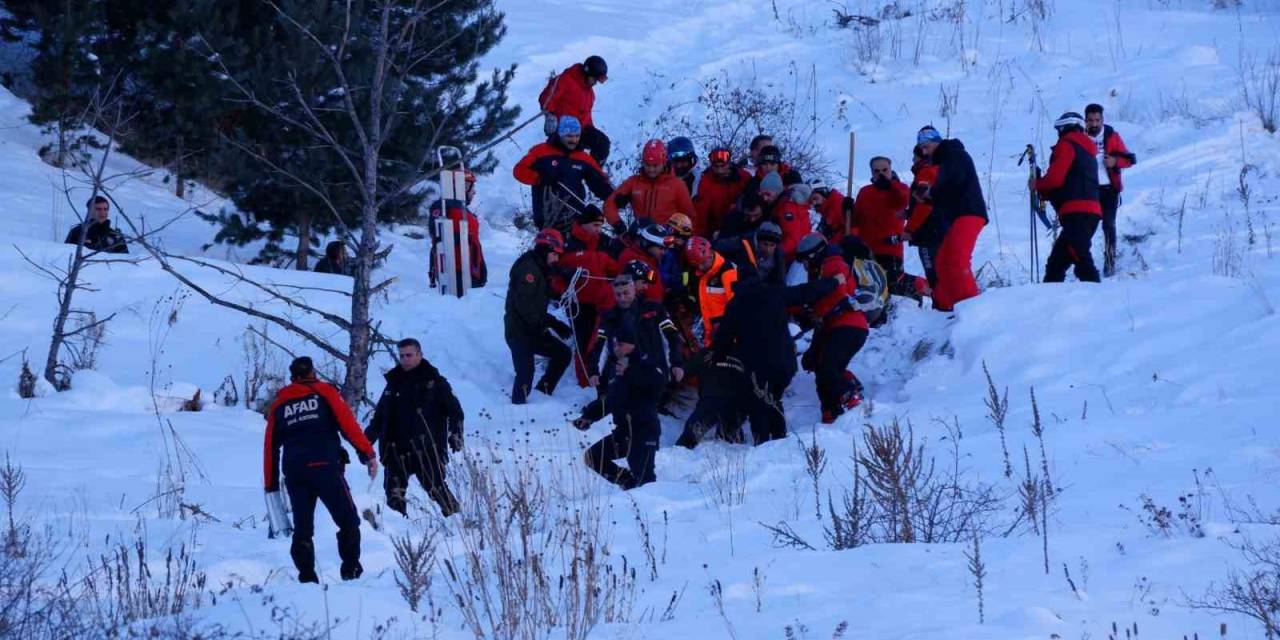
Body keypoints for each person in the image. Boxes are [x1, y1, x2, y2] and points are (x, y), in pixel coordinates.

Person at [263, 356, 378, 583]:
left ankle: (307, 578)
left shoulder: (279, 405)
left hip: (295, 472)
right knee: (348, 520)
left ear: (292, 377)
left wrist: (271, 486)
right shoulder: (324, 392)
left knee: (303, 529)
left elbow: (269, 449)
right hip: (325, 467)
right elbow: (348, 425)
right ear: (313, 373)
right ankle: (351, 571)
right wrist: (368, 454)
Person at [574, 274, 684, 489]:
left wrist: (676, 363)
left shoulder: (653, 309)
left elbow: (672, 336)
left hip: (650, 390)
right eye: (618, 294)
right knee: (595, 458)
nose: (623, 297)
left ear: (635, 290)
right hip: (625, 427)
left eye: (626, 292)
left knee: (644, 478)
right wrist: (588, 414)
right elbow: (601, 346)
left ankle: (645, 495)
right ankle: (629, 486)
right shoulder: (611, 318)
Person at [710, 271, 838, 445]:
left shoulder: (735, 304)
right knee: (774, 399)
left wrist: (716, 359)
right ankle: (780, 440)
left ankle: (762, 444)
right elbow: (805, 292)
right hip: (784, 363)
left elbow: (723, 338)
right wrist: (834, 281)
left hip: (757, 365)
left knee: (758, 404)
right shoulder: (774, 292)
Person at [365, 339, 464, 517]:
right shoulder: (393, 383)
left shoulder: (435, 382)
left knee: (436, 488)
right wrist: (364, 444)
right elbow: (379, 419)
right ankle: (394, 537)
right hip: (395, 449)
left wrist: (456, 434)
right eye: (401, 356)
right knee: (394, 497)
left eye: (409, 355)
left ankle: (459, 524)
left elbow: (455, 412)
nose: (405, 360)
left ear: (420, 354)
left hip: (426, 448)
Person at [792, 236, 869, 423]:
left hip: (848, 325)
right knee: (818, 365)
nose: (804, 265)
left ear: (814, 254)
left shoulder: (833, 264)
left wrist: (818, 313)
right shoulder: (821, 269)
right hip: (835, 326)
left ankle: (853, 398)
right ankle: (830, 412)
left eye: (805, 260)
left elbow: (837, 294)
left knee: (828, 369)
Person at [915, 125, 987, 312]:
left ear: (937, 142)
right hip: (957, 215)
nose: (923, 152)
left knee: (956, 260)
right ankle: (948, 307)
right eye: (921, 148)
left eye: (926, 146)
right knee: (943, 262)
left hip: (969, 212)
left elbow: (955, 181)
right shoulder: (945, 161)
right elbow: (947, 193)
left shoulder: (954, 154)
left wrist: (932, 192)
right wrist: (928, 197)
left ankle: (973, 309)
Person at [505, 229, 573, 404]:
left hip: (534, 329)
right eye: (555, 254)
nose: (557, 259)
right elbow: (525, 306)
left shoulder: (540, 268)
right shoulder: (528, 269)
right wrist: (552, 323)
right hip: (519, 331)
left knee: (563, 354)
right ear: (545, 249)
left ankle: (542, 395)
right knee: (525, 373)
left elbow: (543, 295)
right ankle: (518, 408)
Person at [513, 116, 613, 233]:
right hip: (547, 219)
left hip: (575, 218)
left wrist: (615, 198)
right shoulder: (540, 152)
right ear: (560, 134)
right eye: (569, 136)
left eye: (577, 136)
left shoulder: (583, 158)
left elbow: (598, 182)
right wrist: (539, 179)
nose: (574, 140)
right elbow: (519, 171)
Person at [1035, 112, 1102, 283]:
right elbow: (1067, 182)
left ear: (1064, 128)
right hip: (1089, 212)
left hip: (1076, 213)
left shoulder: (1067, 144)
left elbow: (1055, 179)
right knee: (1056, 264)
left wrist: (1037, 184)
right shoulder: (1088, 152)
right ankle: (1051, 304)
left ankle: (1101, 300)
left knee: (1082, 261)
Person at [559, 205, 622, 387]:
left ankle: (600, 377)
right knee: (583, 341)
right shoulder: (569, 243)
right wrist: (565, 275)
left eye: (600, 226)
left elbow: (615, 269)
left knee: (601, 341)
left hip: (602, 302)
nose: (598, 230)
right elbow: (556, 273)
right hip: (578, 303)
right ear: (584, 224)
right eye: (595, 225)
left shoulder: (606, 243)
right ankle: (584, 382)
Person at [852, 157, 926, 301]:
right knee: (871, 286)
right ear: (871, 173)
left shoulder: (900, 188)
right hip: (866, 248)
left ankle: (928, 289)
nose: (881, 174)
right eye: (877, 171)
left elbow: (905, 200)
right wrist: (847, 209)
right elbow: (855, 221)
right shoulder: (865, 192)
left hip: (889, 247)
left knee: (894, 283)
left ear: (891, 170)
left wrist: (891, 184)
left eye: (885, 170)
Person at [1084, 103, 1137, 277]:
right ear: (1085, 120)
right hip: (1087, 191)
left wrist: (1115, 162)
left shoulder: (1112, 136)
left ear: (1102, 120)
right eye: (1090, 120)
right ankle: (1084, 265)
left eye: (1097, 120)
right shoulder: (1080, 137)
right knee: (1086, 229)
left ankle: (1109, 263)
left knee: (1108, 226)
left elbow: (1130, 159)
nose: (1094, 124)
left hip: (1109, 190)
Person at [602, 139, 695, 229]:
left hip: (666, 239)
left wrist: (680, 236)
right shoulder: (633, 183)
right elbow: (609, 204)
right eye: (647, 165)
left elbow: (690, 217)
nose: (651, 169)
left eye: (655, 165)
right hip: (639, 238)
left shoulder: (677, 185)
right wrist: (618, 224)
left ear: (664, 163)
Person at [539, 55, 611, 163]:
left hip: (580, 130)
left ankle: (591, 174)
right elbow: (546, 98)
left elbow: (587, 115)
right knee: (571, 161)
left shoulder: (590, 93)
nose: (595, 83)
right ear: (587, 73)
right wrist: (550, 116)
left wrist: (591, 130)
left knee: (603, 143)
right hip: (561, 129)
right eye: (595, 79)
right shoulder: (566, 80)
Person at [428, 170, 487, 288]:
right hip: (455, 275)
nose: (474, 192)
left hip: (471, 274)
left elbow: (475, 245)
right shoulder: (443, 207)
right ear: (463, 186)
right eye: (471, 187)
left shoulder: (465, 212)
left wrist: (482, 270)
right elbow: (438, 235)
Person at [905, 144, 941, 292]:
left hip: (929, 233)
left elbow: (924, 206)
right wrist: (908, 214)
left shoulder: (925, 173)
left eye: (915, 157)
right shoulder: (937, 170)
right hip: (937, 229)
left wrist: (909, 229)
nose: (913, 160)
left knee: (933, 274)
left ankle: (940, 306)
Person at [693, 147, 752, 238]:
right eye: (716, 167)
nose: (720, 170)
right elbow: (701, 213)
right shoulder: (706, 181)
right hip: (716, 232)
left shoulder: (744, 177)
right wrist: (699, 236)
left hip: (743, 227)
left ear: (729, 164)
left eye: (723, 166)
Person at [618, 223, 672, 304]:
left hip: (656, 308)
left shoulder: (652, 257)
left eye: (665, 249)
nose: (663, 252)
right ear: (648, 243)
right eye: (661, 248)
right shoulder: (630, 257)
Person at [717, 221, 784, 285]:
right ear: (758, 241)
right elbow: (719, 246)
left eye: (772, 245)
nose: (768, 249)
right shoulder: (742, 243)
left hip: (761, 289)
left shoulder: (778, 254)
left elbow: (780, 280)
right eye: (765, 244)